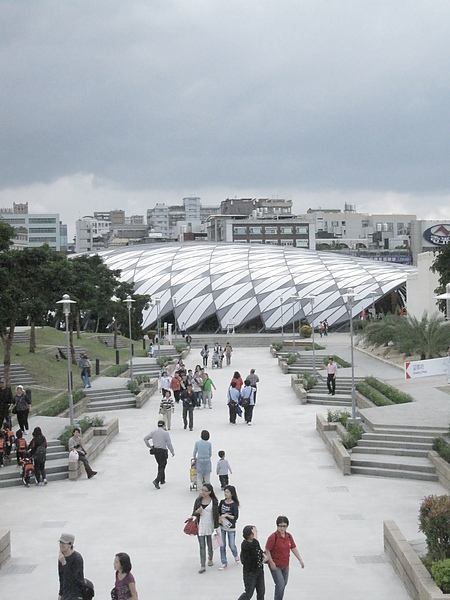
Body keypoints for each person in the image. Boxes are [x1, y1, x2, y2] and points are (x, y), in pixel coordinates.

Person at [265, 516, 304, 600]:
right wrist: (271, 562)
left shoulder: (289, 536)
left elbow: (293, 548)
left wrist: (300, 559)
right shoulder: (273, 537)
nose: (282, 528)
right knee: (280, 584)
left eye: (284, 526)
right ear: (277, 526)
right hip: (276, 565)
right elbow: (267, 550)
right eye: (280, 526)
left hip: (285, 564)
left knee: (283, 584)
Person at [192, 483, 220, 574]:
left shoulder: (214, 501)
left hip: (210, 525)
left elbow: (216, 514)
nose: (203, 492)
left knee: (209, 544)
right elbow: (193, 513)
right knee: (202, 546)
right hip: (200, 525)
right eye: (202, 490)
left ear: (210, 492)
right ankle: (202, 565)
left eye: (205, 491)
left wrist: (217, 526)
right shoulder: (198, 500)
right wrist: (197, 512)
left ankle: (210, 558)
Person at [143, 420, 175, 489]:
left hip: (156, 451)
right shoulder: (165, 433)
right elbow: (169, 444)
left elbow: (145, 439)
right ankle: (157, 480)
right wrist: (172, 451)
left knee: (160, 464)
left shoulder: (153, 432)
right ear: (164, 425)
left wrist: (150, 446)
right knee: (162, 465)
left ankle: (162, 479)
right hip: (163, 451)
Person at [238, 525, 266, 600]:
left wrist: (263, 555)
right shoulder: (245, 544)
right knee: (249, 593)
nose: (256, 533)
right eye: (254, 532)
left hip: (259, 570)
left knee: (261, 591)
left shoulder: (255, 542)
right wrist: (255, 535)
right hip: (250, 573)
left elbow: (259, 550)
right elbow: (253, 547)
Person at [218, 485, 240, 570]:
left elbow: (235, 517)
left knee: (232, 544)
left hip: (231, 527)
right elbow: (218, 512)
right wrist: (220, 518)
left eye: (227, 492)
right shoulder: (222, 502)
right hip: (222, 526)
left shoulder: (234, 504)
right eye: (225, 492)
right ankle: (224, 562)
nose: (225, 494)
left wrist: (227, 515)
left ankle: (235, 554)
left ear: (232, 493)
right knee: (222, 545)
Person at [58, 533, 84, 600]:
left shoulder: (77, 558)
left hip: (75, 594)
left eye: (63, 543)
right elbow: (61, 577)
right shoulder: (62, 557)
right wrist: (60, 594)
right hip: (65, 594)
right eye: (60, 542)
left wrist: (64, 564)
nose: (61, 545)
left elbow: (75, 578)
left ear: (70, 544)